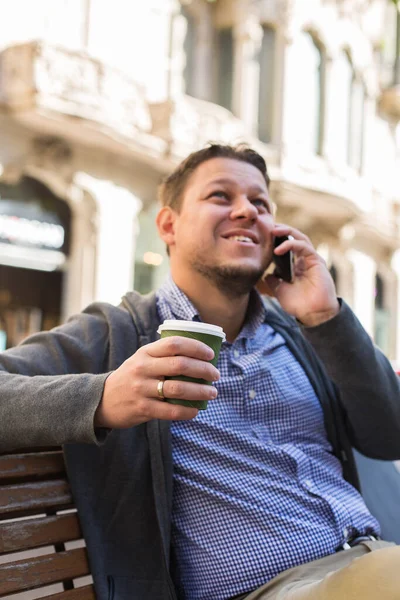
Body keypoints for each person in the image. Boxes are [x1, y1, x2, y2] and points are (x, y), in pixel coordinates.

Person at [0, 144, 400, 600]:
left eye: (260, 203)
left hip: (372, 559)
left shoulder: (300, 334)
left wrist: (327, 316)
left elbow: (389, 436)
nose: (246, 211)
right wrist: (103, 397)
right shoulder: (114, 337)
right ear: (168, 225)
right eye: (220, 196)